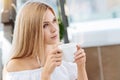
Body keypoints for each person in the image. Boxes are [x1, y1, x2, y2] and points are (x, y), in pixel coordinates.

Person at [3, 1, 88, 80]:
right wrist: (46, 74)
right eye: (45, 25)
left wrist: (81, 66)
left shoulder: (64, 58)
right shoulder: (15, 67)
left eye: (54, 21)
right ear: (30, 30)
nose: (54, 29)